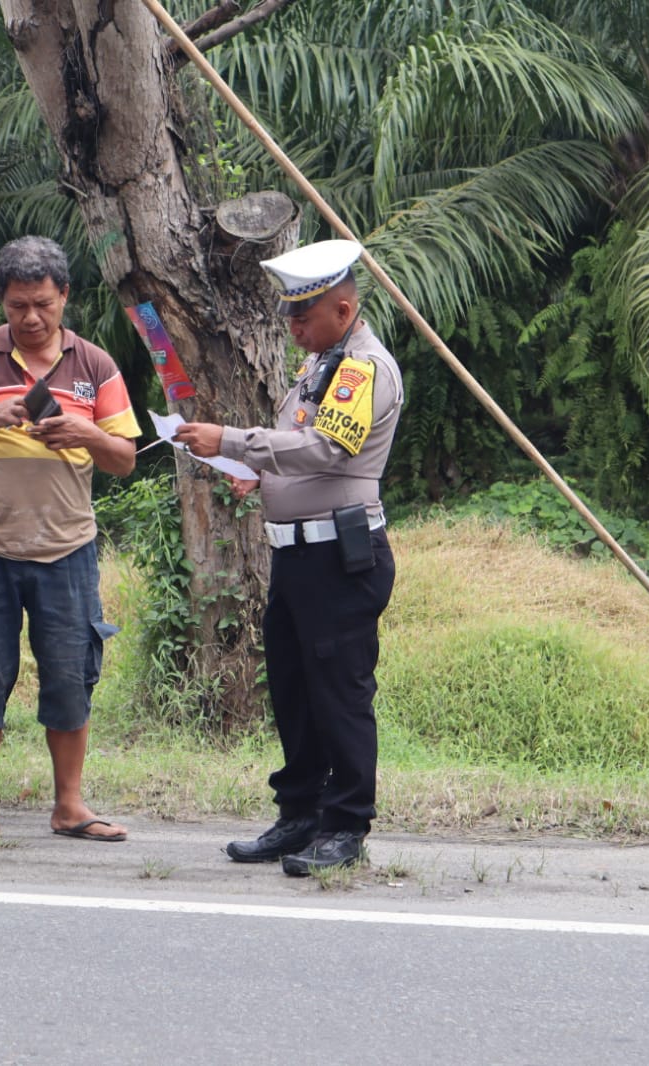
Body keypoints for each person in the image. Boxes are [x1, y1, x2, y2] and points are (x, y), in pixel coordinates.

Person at [175, 239, 403, 876]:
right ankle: (300, 812)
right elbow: (299, 452)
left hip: (340, 557)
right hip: (297, 560)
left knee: (340, 693)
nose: (293, 328)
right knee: (296, 692)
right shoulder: (320, 366)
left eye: (304, 317)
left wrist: (235, 443)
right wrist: (261, 478)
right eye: (290, 317)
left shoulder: (362, 368)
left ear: (344, 306)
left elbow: (328, 449)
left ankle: (345, 826)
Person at [0, 236, 140, 852]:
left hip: (66, 548)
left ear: (64, 296)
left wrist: (82, 431)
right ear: (4, 303)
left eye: (43, 304)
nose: (31, 318)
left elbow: (124, 460)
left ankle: (69, 806)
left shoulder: (95, 365)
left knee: (70, 676)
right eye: (18, 306)